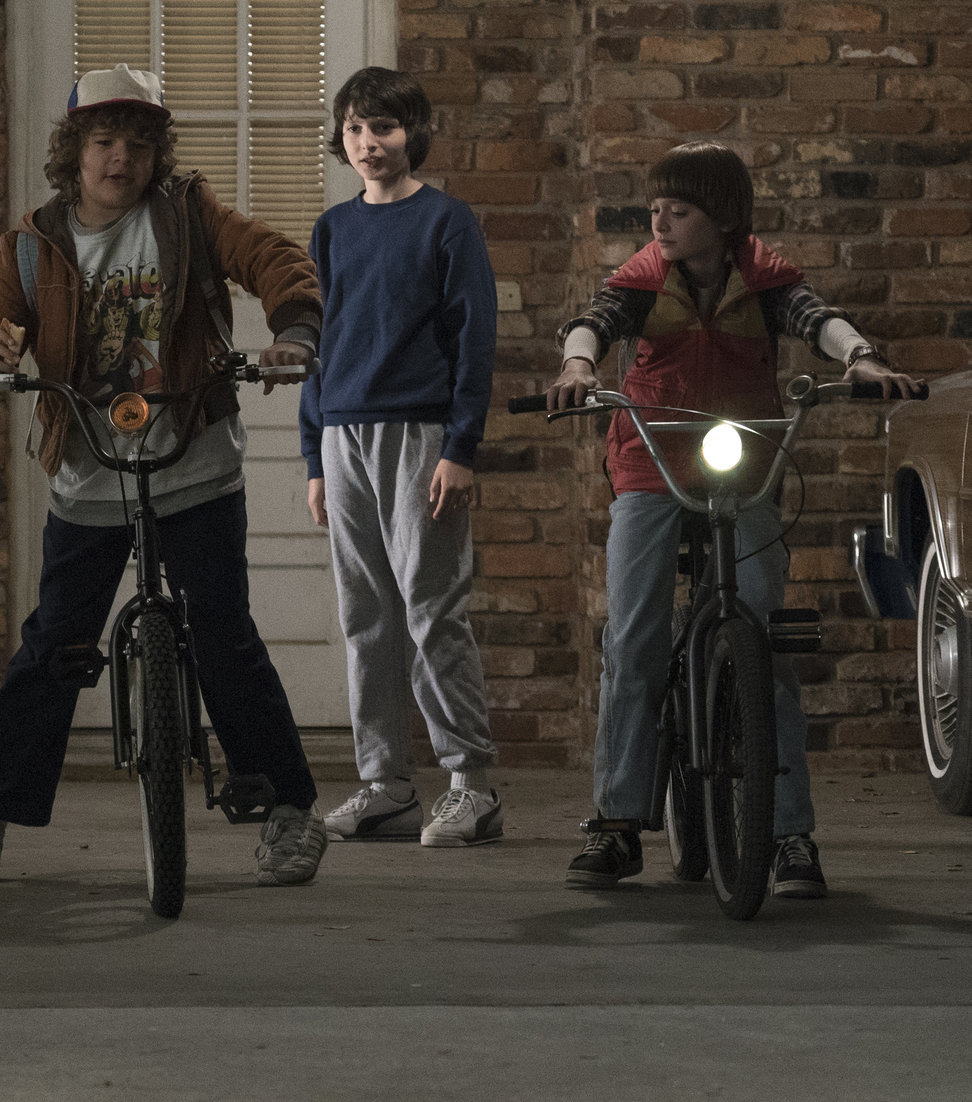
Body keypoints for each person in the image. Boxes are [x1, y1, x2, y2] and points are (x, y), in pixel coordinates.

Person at [0, 64, 329, 888]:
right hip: (88, 475)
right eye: (105, 141)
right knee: (53, 643)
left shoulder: (188, 215)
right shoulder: (36, 237)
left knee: (224, 635)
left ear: (158, 154)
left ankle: (290, 809)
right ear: (74, 149)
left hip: (193, 463)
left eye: (139, 144)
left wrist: (294, 330)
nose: (122, 158)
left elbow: (272, 258)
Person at [546, 141, 921, 898]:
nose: (660, 220)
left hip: (744, 463)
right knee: (634, 634)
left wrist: (863, 360)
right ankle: (617, 821)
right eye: (656, 208)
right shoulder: (643, 282)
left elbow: (820, 320)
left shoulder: (766, 280)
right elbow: (595, 320)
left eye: (678, 210)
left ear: (723, 219)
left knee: (764, 633)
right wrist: (580, 365)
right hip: (651, 462)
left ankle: (789, 834)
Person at [301, 67, 503, 848]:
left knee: (432, 609)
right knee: (366, 617)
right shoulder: (332, 228)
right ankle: (385, 782)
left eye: (382, 128)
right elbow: (317, 346)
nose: (368, 143)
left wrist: (461, 447)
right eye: (354, 128)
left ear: (411, 133)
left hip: (421, 437)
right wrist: (315, 455)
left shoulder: (447, 222)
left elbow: (473, 340)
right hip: (343, 437)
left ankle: (470, 783)